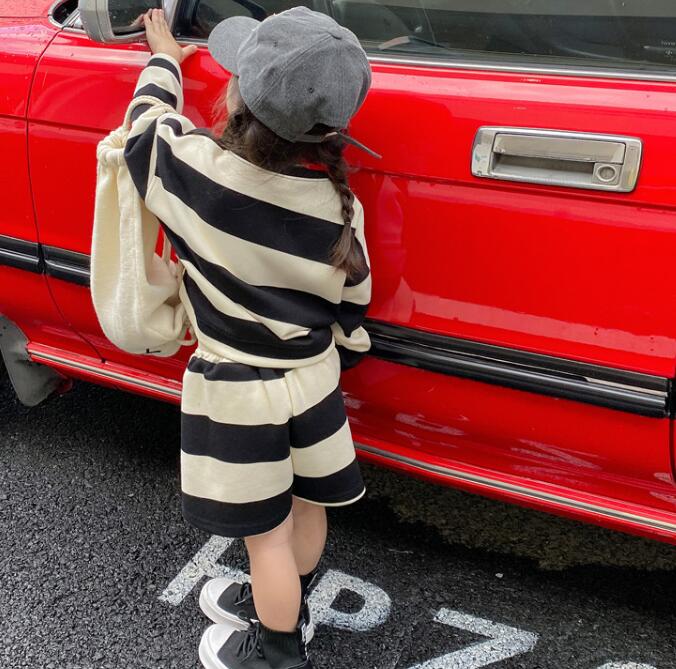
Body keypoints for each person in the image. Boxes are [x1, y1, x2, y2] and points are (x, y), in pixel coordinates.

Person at [121, 7, 376, 669]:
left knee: (266, 538)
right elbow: (354, 302)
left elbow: (143, 128)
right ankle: (293, 605)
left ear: (237, 98)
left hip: (239, 392)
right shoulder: (339, 207)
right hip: (312, 378)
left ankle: (276, 652)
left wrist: (163, 59)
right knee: (307, 506)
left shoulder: (197, 174)